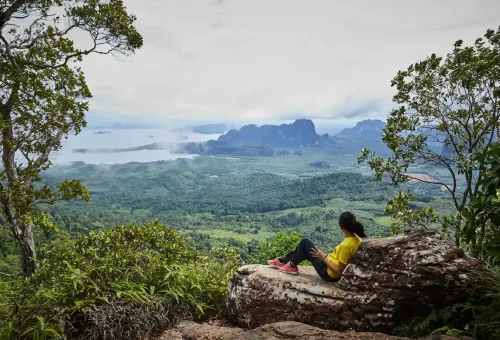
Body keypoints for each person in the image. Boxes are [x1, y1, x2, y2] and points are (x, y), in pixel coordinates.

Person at [267, 211, 366, 282]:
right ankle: (284, 261)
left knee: (305, 242)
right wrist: (324, 256)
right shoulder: (357, 240)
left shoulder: (346, 245)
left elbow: (339, 272)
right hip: (328, 264)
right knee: (306, 247)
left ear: (341, 227)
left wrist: (322, 257)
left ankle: (291, 265)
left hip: (328, 274)